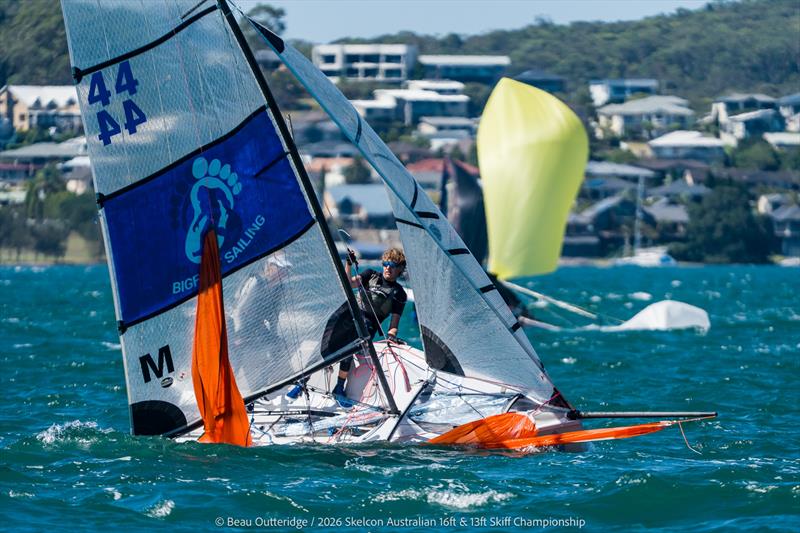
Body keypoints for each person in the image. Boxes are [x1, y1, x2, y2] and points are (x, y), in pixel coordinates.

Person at [287, 247, 408, 402]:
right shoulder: (370, 274)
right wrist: (349, 264)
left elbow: (394, 323)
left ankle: (339, 388)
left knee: (349, 349)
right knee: (324, 346)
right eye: (385, 264)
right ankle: (302, 383)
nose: (388, 268)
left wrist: (391, 337)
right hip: (348, 313)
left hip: (367, 324)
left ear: (400, 269)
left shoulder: (399, 294)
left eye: (392, 265)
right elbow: (348, 283)